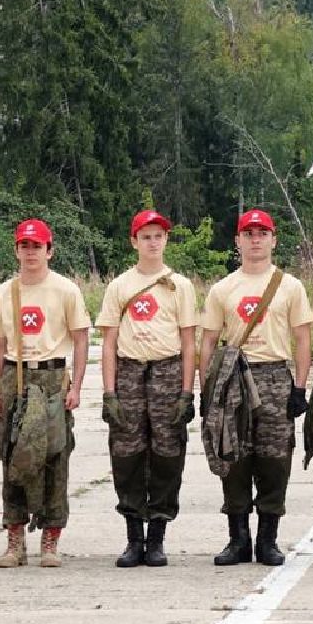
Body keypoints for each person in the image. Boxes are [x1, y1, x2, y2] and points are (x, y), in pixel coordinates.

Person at [198, 208, 312, 567]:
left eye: (262, 233)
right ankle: (238, 539)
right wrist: (206, 389)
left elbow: (303, 338)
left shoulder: (290, 286)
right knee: (233, 458)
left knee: (275, 460)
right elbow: (209, 341)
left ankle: (268, 539)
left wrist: (299, 386)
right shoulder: (223, 288)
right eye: (249, 234)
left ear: (274, 240)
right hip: (234, 380)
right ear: (238, 241)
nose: (256, 239)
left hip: (275, 377)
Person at [0, 219, 91, 568]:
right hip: (14, 376)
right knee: (13, 458)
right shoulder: (4, 292)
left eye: (37, 246)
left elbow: (80, 339)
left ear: (50, 250)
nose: (30, 252)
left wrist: (75, 386)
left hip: (51, 377)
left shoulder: (65, 290)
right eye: (24, 246)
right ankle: (15, 542)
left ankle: (50, 540)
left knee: (55, 457)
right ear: (16, 250)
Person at [97, 210, 198, 568]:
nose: (153, 242)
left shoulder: (180, 285)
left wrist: (188, 392)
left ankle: (157, 536)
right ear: (134, 241)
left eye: (158, 236)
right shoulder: (120, 285)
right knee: (127, 454)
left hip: (167, 371)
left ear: (166, 240)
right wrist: (109, 392)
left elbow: (189, 343)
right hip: (129, 372)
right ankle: (133, 536)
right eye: (146, 236)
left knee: (168, 454)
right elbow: (108, 343)